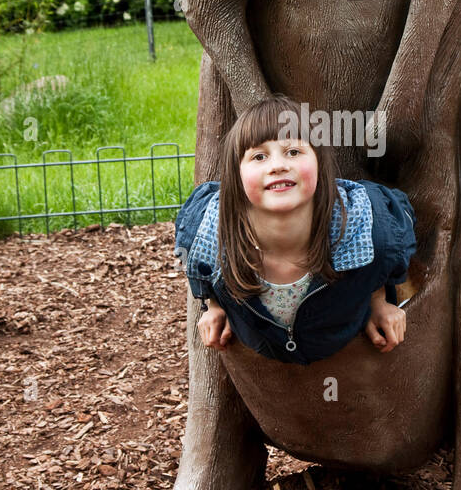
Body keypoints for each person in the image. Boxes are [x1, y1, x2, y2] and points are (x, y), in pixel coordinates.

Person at [174, 94, 417, 365]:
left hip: (337, 334)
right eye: (259, 156)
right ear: (236, 177)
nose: (278, 165)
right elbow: (199, 268)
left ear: (319, 165)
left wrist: (380, 300)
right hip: (261, 342)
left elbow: (388, 251)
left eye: (293, 151)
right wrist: (213, 305)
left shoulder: (368, 227)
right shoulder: (208, 234)